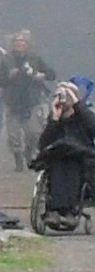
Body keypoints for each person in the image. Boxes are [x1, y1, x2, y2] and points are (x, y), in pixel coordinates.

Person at [32, 80, 95, 230]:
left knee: (72, 164)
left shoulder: (84, 117)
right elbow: (43, 144)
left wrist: (77, 105)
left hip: (81, 160)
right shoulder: (55, 119)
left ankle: (69, 211)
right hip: (58, 160)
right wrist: (54, 119)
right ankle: (55, 210)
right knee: (56, 163)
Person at [0, 31, 55, 171]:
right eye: (17, 41)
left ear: (27, 44)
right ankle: (18, 161)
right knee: (13, 135)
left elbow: (52, 74)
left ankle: (29, 153)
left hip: (32, 101)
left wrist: (41, 75)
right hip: (13, 102)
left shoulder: (35, 58)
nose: (19, 43)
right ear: (13, 44)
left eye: (22, 41)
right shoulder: (7, 60)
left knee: (34, 133)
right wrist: (9, 76)